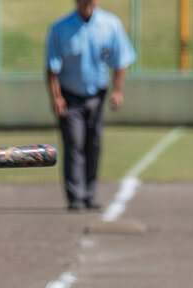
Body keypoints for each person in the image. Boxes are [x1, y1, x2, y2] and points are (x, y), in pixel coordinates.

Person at [45, 0, 136, 211]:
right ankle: (75, 196)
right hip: (70, 96)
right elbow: (52, 68)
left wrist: (118, 91)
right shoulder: (60, 28)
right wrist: (56, 97)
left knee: (93, 144)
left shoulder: (111, 24)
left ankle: (88, 194)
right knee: (74, 144)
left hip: (97, 95)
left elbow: (120, 60)